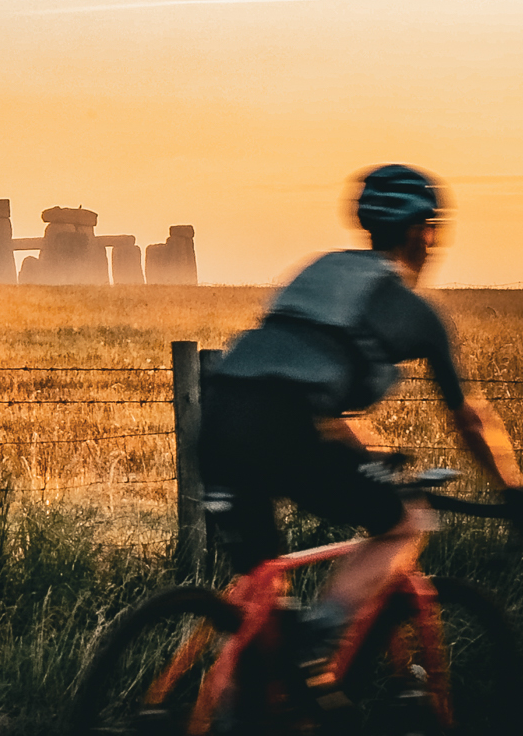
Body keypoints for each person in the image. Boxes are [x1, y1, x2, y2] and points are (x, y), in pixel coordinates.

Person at [200, 163, 523, 700]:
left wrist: (367, 452)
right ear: (422, 232)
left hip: (220, 419)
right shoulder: (417, 313)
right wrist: (509, 488)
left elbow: (298, 377)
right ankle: (319, 640)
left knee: (263, 597)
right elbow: (468, 416)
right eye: (433, 230)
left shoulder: (320, 272)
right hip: (285, 427)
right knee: (404, 522)